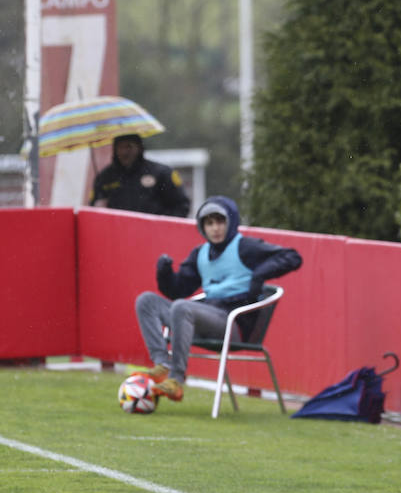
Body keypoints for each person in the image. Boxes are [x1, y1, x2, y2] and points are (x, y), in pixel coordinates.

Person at [134, 195, 302, 402]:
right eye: (209, 223)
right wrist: (165, 274)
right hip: (202, 319)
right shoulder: (200, 254)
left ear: (230, 222)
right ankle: (162, 364)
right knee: (146, 301)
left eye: (220, 221)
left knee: (181, 307)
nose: (215, 228)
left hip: (233, 325)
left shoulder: (246, 247)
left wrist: (259, 274)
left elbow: (293, 257)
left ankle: (176, 380)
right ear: (202, 227)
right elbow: (178, 291)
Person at [89, 133, 191, 218]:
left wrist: (160, 223)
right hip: (118, 235)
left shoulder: (161, 172)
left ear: (140, 148)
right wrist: (98, 206)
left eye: (129, 146)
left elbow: (182, 206)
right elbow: (92, 208)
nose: (124, 152)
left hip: (154, 236)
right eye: (120, 147)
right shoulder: (104, 177)